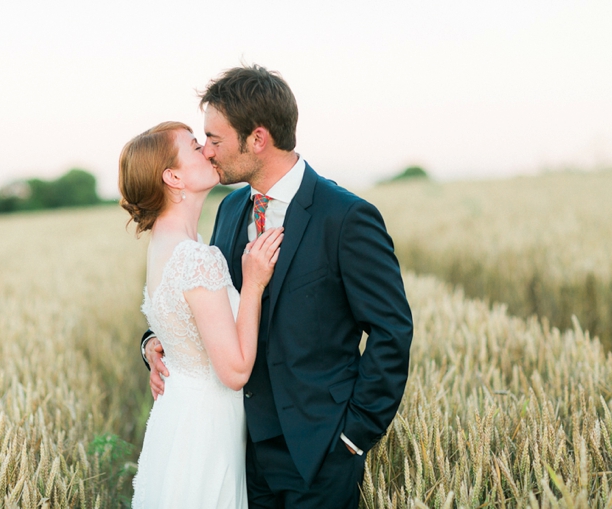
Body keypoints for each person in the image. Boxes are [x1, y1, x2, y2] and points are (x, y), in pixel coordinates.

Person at [141, 65, 413, 508]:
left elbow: (391, 331)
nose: (207, 152)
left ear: (258, 139)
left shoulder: (344, 217)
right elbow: (201, 300)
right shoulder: (230, 210)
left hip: (320, 452)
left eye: (215, 139)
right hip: (239, 449)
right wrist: (157, 341)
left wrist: (352, 437)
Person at [119, 121, 284, 508]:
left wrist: (153, 344)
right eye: (195, 147)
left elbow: (178, 322)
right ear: (173, 176)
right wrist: (254, 284)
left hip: (178, 420)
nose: (208, 151)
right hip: (205, 432)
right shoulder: (195, 257)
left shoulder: (166, 245)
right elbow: (236, 371)